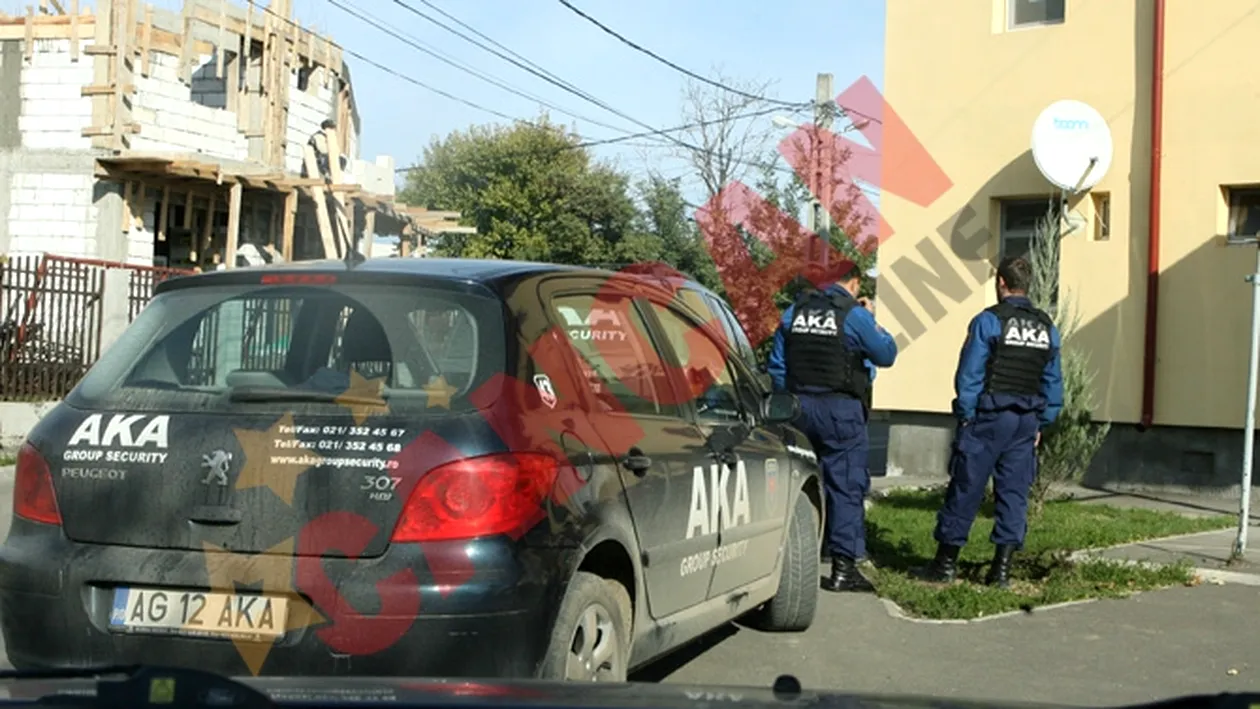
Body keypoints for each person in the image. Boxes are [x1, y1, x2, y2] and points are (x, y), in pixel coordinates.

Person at [921, 256, 1064, 587]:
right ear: (1028, 284)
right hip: (1026, 422)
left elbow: (970, 373)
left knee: (966, 486)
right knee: (1014, 493)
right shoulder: (1046, 326)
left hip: (988, 417)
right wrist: (1042, 421)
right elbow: (1053, 380)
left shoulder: (989, 321)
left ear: (1001, 282)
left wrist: (967, 415)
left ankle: (945, 565)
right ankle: (1001, 570)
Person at [767, 261, 898, 592]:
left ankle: (797, 556)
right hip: (840, 409)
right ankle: (843, 568)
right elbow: (885, 354)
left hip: (797, 407)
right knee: (845, 485)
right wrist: (874, 321)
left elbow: (778, 367)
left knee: (801, 482)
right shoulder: (854, 315)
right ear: (852, 283)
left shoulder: (793, 312)